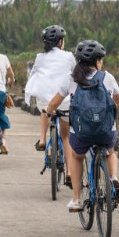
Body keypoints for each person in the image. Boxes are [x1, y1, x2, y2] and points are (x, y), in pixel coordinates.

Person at [44, 39, 119, 212]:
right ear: (97, 61)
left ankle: (76, 199)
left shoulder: (71, 79)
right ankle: (113, 178)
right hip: (105, 132)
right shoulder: (108, 78)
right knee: (110, 152)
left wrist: (48, 110)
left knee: (77, 156)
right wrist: (117, 107)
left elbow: (54, 102)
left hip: (81, 133)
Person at [25, 24, 77, 186]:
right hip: (65, 101)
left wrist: (28, 87)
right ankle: (69, 172)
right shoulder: (69, 56)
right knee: (66, 135)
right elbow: (76, 74)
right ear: (60, 41)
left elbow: (33, 74)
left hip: (46, 100)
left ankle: (42, 140)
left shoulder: (40, 57)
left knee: (45, 109)